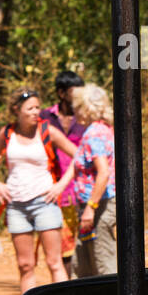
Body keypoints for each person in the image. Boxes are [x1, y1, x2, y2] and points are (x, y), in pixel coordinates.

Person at [0, 88, 77, 295]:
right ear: (16, 110)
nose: (36, 112)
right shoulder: (7, 133)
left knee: (54, 261)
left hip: (44, 202)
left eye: (37, 107)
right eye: (30, 108)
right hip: (16, 205)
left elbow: (78, 155)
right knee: (25, 265)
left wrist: (61, 185)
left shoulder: (47, 131)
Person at [52, 84, 116, 277]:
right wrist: (61, 186)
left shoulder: (94, 134)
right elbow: (79, 161)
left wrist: (90, 207)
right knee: (83, 264)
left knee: (102, 263)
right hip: (91, 207)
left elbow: (103, 172)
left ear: (87, 108)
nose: (74, 111)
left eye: (78, 107)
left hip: (98, 207)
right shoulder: (102, 129)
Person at [40, 70, 85, 272]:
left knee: (85, 247)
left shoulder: (86, 118)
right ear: (61, 93)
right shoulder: (43, 118)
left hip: (83, 191)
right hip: (54, 192)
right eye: (75, 93)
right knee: (62, 251)